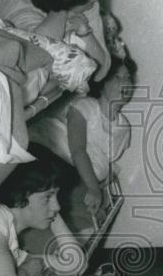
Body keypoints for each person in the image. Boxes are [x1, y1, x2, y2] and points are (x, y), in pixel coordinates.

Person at [28, 54, 136, 230]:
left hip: (78, 175)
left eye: (128, 78)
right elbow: (78, 150)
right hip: (53, 154)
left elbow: (105, 162)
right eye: (117, 77)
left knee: (85, 216)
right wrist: (94, 188)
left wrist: (97, 187)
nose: (124, 82)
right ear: (102, 84)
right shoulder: (85, 105)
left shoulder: (124, 128)